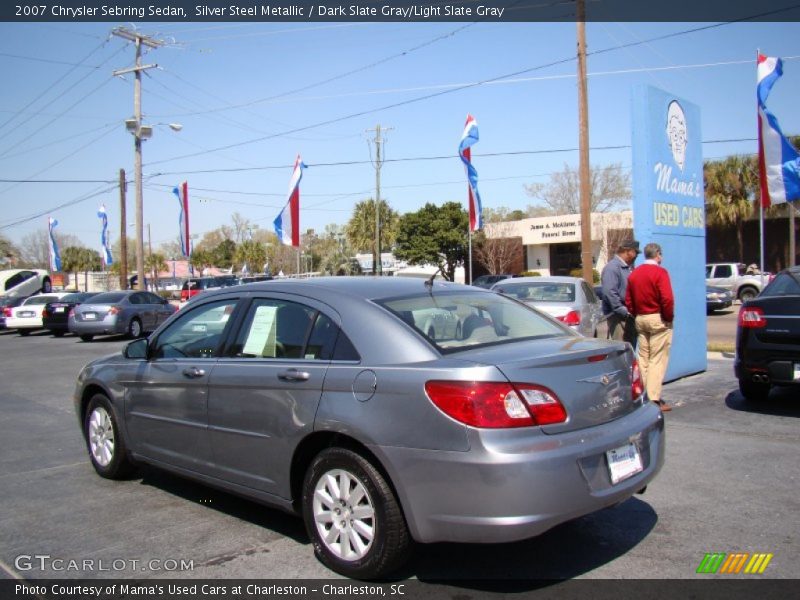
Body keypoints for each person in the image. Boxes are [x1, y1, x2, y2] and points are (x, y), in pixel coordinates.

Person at [625, 242, 675, 412]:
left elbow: (629, 300)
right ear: (658, 254)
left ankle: (642, 393)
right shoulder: (660, 273)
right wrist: (668, 318)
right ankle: (653, 398)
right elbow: (667, 298)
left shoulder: (634, 274)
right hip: (657, 318)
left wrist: (635, 313)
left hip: (641, 318)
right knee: (657, 359)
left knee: (643, 358)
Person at [601, 239, 639, 347]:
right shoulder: (612, 268)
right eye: (635, 252)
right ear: (628, 251)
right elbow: (609, 292)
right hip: (618, 318)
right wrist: (623, 311)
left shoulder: (627, 268)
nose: (636, 256)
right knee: (622, 351)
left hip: (627, 317)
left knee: (629, 350)